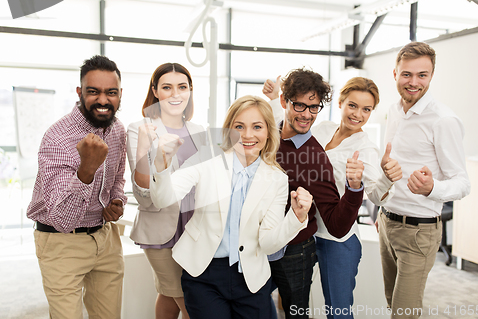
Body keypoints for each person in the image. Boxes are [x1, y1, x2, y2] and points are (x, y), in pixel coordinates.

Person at [150, 95, 313, 319]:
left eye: (257, 127)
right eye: (239, 126)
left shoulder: (277, 179)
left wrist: (296, 217)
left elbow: (268, 243)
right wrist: (161, 164)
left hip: (251, 277)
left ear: (268, 131)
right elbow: (163, 199)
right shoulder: (206, 159)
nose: (247, 135)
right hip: (203, 272)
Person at [265, 76, 403, 318]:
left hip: (336, 239)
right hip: (304, 232)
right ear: (340, 103)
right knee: (288, 301)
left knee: (337, 311)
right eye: (352, 105)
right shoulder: (322, 128)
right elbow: (292, 120)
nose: (358, 114)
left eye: (366, 109)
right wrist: (276, 96)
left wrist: (386, 179)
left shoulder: (366, 148)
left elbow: (375, 195)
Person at [27, 55, 127, 319]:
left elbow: (118, 178)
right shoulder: (57, 137)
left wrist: (116, 202)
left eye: (111, 92)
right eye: (93, 92)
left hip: (105, 240)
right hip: (61, 243)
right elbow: (61, 219)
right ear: (80, 92)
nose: (103, 100)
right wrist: (87, 170)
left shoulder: (117, 130)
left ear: (120, 95)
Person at [377, 42, 470, 318]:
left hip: (419, 232)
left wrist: (433, 188)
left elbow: (463, 183)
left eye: (422, 75)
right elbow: (392, 167)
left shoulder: (443, 120)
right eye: (407, 74)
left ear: (431, 75)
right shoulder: (393, 112)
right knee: (392, 304)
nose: (414, 82)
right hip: (386, 223)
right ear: (394, 74)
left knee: (404, 313)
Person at [263, 68, 365, 319]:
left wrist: (353, 189)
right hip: (258, 244)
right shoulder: (264, 135)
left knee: (295, 314)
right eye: (300, 105)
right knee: (250, 307)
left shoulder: (316, 158)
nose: (307, 115)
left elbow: (336, 224)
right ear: (284, 101)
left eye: (314, 107)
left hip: (295, 252)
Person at [126, 63, 206, 319]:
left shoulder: (198, 130)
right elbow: (142, 192)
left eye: (182, 87)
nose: (175, 94)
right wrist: (144, 152)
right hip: (161, 227)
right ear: (155, 91)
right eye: (167, 87)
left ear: (190, 91)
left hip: (194, 226)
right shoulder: (141, 128)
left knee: (168, 295)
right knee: (187, 300)